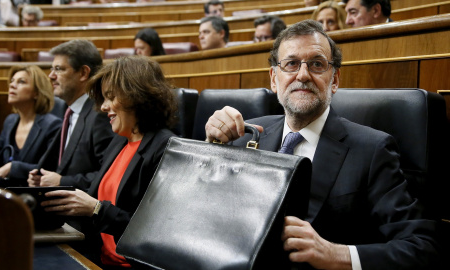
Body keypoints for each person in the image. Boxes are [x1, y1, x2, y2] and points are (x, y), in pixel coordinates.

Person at [205, 20, 439, 269]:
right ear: (274, 79)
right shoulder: (244, 133)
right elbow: (209, 216)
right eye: (291, 64)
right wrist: (211, 150)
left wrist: (335, 254)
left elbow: (421, 246)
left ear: (334, 79)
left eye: (317, 64)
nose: (303, 75)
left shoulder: (373, 150)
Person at [41, 55, 177, 268]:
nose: (103, 107)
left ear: (137, 95)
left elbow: (158, 234)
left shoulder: (166, 148)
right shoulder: (119, 142)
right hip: (97, 259)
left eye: (110, 97)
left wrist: (96, 209)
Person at [27, 40, 114, 190]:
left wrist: (62, 181)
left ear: (83, 73)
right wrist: (42, 179)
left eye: (59, 69)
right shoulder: (69, 112)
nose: (51, 76)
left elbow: (109, 174)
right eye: (52, 69)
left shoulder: (100, 114)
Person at [0, 65, 61, 186]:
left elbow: (49, 168)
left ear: (37, 93)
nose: (12, 85)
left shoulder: (52, 125)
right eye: (12, 81)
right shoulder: (10, 120)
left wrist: (13, 168)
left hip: (30, 195)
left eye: (21, 82)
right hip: (4, 191)